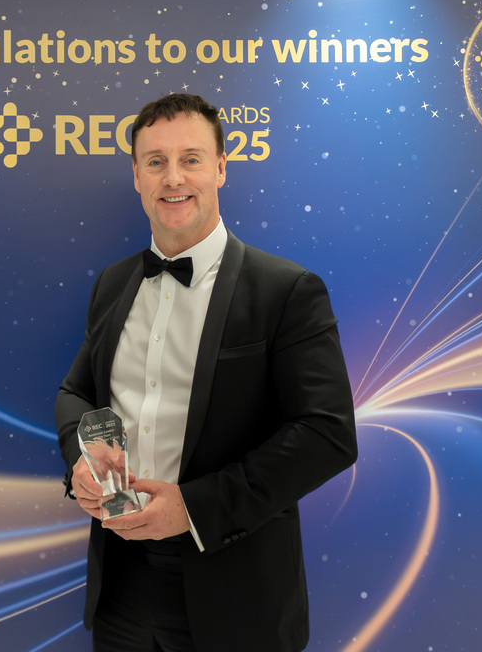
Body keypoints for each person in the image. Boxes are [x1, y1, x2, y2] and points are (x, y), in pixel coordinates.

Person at [55, 93, 357, 652]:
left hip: (235, 592)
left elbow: (327, 434)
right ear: (137, 176)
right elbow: (76, 392)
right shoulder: (113, 284)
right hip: (120, 588)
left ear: (220, 167)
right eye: (156, 161)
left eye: (190, 159)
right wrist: (82, 459)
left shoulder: (287, 290)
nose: (173, 178)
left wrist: (193, 508)